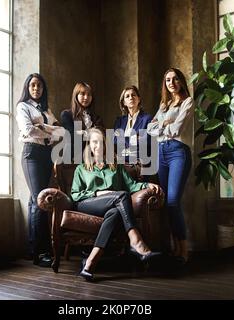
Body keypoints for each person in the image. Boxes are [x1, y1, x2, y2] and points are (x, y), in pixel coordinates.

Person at [71, 127, 162, 281]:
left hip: (112, 206)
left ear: (106, 145)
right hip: (87, 204)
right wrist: (97, 193)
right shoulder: (81, 168)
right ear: (89, 144)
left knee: (114, 213)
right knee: (121, 196)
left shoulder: (116, 166)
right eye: (94, 142)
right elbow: (74, 195)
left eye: (101, 142)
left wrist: (147, 185)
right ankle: (136, 240)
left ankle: (90, 262)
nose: (98, 146)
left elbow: (132, 185)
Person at [16, 73, 64, 267]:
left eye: (40, 86)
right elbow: (28, 130)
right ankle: (42, 252)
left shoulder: (46, 110)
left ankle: (32, 248)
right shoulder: (23, 107)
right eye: (33, 85)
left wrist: (43, 127)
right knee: (40, 201)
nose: (36, 89)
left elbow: (60, 131)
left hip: (46, 155)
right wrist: (48, 130)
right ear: (28, 87)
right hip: (32, 154)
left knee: (34, 200)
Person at [147, 68, 194, 263]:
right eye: (167, 80)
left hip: (178, 152)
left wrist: (163, 125)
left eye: (175, 79)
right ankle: (175, 248)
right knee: (166, 203)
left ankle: (184, 250)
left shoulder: (188, 102)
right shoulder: (164, 105)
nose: (171, 83)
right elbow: (149, 129)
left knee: (173, 201)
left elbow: (177, 129)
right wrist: (164, 124)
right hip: (162, 153)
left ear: (181, 81)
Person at [113, 85, 153, 179]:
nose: (131, 97)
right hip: (121, 160)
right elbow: (114, 141)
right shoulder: (119, 121)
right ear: (124, 102)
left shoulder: (147, 119)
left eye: (133, 95)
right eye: (127, 96)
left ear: (138, 99)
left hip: (139, 161)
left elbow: (146, 142)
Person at [60, 82, 103, 163]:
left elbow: (101, 135)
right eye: (82, 94)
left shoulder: (96, 117)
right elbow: (72, 136)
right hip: (72, 159)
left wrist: (82, 132)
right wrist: (91, 133)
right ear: (76, 95)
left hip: (93, 159)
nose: (86, 97)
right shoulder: (66, 115)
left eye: (89, 94)